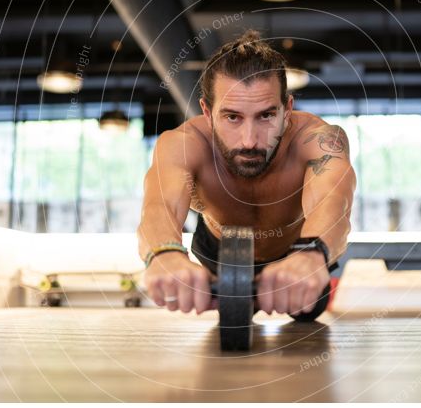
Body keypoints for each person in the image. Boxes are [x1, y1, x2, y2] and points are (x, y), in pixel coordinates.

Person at [138, 29, 356, 319]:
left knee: (307, 316)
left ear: (287, 109)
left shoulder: (317, 140)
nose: (249, 140)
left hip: (298, 252)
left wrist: (311, 254)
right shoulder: (184, 145)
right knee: (230, 334)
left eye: (266, 115)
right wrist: (164, 254)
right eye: (232, 117)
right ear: (206, 111)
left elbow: (335, 202)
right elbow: (159, 204)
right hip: (217, 250)